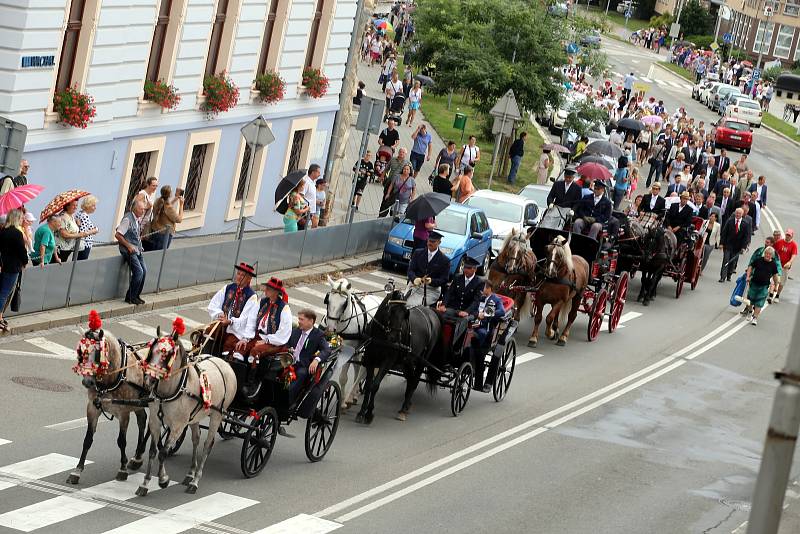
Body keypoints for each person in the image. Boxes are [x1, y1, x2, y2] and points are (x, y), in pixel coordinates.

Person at [238, 277, 293, 398]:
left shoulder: (284, 308)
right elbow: (252, 320)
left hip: (275, 341)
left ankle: (252, 383)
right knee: (241, 346)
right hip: (259, 335)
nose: (266, 290)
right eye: (266, 287)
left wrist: (267, 340)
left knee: (255, 351)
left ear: (276, 292)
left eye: (269, 288)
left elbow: (284, 333)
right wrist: (246, 338)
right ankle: (239, 377)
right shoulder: (262, 302)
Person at [207, 262, 259, 355]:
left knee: (229, 343)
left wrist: (230, 322)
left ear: (249, 279)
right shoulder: (228, 288)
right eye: (238, 273)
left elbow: (245, 319)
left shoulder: (251, 296)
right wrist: (220, 315)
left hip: (236, 331)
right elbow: (213, 304)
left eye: (243, 275)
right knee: (209, 332)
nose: (239, 277)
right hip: (222, 323)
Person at [436, 256, 483, 355]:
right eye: (465, 267)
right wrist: (444, 305)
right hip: (454, 308)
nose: (465, 270)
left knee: (463, 321)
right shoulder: (458, 277)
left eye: (468, 268)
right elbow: (449, 293)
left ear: (474, 269)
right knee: (440, 315)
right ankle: (437, 339)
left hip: (469, 312)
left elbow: (476, 301)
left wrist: (467, 311)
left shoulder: (479, 282)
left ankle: (453, 346)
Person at [287, 309, 331, 404]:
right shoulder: (295, 331)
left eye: (302, 319)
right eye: (299, 319)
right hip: (289, 362)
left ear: (311, 321)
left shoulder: (318, 335)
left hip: (303, 366)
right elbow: (287, 344)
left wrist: (316, 360)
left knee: (301, 374)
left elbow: (326, 350)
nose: (299, 321)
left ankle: (289, 401)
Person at [469, 279, 506, 392]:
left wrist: (486, 314)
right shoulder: (478, 297)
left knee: (479, 334)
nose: (481, 289)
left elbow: (502, 312)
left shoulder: (495, 300)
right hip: (473, 323)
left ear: (489, 288)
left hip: (484, 327)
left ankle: (476, 360)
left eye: (483, 287)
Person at [115, 199, 148, 305]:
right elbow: (118, 235)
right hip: (128, 250)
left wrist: (139, 245)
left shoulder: (137, 218)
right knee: (139, 272)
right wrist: (128, 245)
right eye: (141, 209)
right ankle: (130, 297)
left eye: (144, 209)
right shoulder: (127, 219)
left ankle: (136, 295)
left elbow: (135, 234)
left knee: (144, 271)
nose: (143, 211)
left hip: (136, 249)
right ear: (134, 208)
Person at [0, 209, 28, 330]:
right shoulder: (17, 233)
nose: (23, 220)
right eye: (21, 218)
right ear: (17, 218)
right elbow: (22, 251)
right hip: (13, 266)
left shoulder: (3, 231)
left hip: (3, 264)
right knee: (4, 293)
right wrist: (25, 262)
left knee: (2, 291)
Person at [407, 230, 450, 305]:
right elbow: (410, 270)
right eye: (429, 240)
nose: (430, 243)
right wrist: (414, 278)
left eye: (433, 242)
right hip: (415, 287)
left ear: (439, 242)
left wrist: (432, 281)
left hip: (432, 290)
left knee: (417, 306)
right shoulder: (418, 253)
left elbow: (444, 279)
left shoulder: (444, 260)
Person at [745, 247, 780, 326]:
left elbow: (775, 276)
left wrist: (776, 286)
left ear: (772, 256)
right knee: (750, 299)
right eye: (766, 253)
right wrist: (748, 276)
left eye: (769, 254)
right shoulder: (759, 260)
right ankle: (750, 312)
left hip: (764, 286)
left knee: (759, 302)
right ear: (764, 253)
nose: (767, 255)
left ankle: (755, 317)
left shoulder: (773, 264)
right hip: (754, 283)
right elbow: (750, 267)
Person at [719, 207, 751, 282]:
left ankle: (729, 275)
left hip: (738, 247)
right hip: (728, 245)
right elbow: (724, 233)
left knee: (733, 261)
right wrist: (721, 243)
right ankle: (722, 277)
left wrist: (743, 247)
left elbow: (746, 237)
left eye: (739, 213)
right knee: (726, 260)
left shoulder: (745, 224)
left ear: (742, 214)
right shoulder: (730, 221)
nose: (737, 214)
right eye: (736, 213)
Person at [149, 185, 183, 249]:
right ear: (170, 195)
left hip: (155, 230)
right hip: (164, 235)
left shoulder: (158, 201)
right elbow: (179, 219)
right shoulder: (168, 207)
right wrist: (181, 205)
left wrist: (174, 200)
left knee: (152, 252)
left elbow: (165, 208)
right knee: (160, 255)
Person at [772, 229, 797, 303]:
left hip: (785, 266)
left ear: (792, 236)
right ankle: (771, 293)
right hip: (777, 264)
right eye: (787, 235)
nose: (787, 236)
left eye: (789, 235)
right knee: (774, 279)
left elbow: (794, 255)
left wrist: (789, 262)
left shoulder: (793, 245)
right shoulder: (779, 242)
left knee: (782, 282)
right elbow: (773, 251)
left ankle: (777, 295)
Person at [136, 176, 158, 251]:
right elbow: (135, 207)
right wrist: (146, 207)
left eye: (156, 186)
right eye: (153, 185)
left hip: (144, 224)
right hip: (139, 223)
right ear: (148, 185)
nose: (155, 187)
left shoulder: (150, 195)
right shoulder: (142, 194)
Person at [302, 164, 320, 228]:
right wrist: (305, 209)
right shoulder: (306, 182)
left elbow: (310, 197)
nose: (319, 174)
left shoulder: (313, 183)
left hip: (311, 212)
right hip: (304, 212)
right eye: (318, 172)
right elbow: (301, 196)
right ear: (313, 172)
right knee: (301, 230)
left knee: (313, 227)